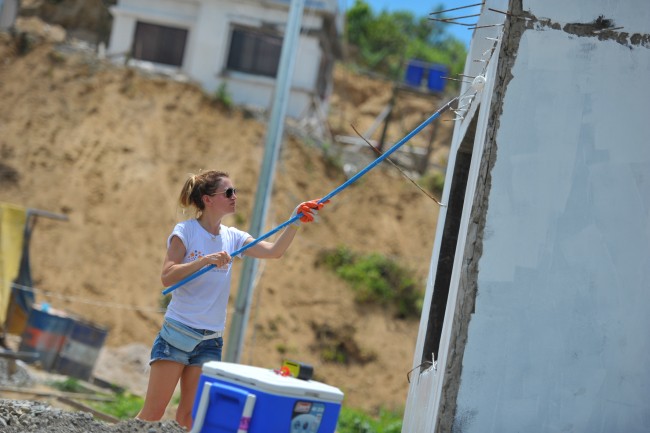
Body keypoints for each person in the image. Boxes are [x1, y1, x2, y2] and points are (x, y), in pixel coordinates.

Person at [136, 170, 327, 429]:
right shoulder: (185, 231)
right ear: (208, 200)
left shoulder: (233, 236)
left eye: (235, 191)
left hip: (211, 340)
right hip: (178, 334)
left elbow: (274, 251)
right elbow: (167, 276)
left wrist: (293, 221)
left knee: (189, 417)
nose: (235, 196)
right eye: (228, 192)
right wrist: (205, 260)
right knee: (153, 413)